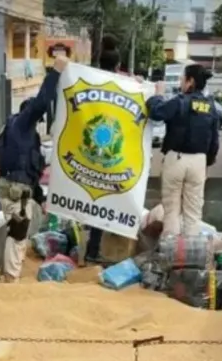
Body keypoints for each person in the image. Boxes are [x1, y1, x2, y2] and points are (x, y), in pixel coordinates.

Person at [0, 55, 69, 282]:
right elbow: (40, 103)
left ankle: (12, 275)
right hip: (14, 188)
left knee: (19, 232)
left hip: (20, 188)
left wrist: (40, 199)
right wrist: (56, 73)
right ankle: (11, 278)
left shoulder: (24, 135)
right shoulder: (21, 124)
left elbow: (32, 172)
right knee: (18, 233)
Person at [145, 64, 220, 237]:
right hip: (199, 162)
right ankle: (190, 254)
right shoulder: (211, 106)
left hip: (176, 159)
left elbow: (156, 112)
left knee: (171, 210)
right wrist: (206, 163)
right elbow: (215, 140)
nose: (180, 82)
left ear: (190, 81)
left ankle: (172, 254)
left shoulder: (180, 101)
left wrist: (157, 95)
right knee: (193, 213)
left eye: (182, 78)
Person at [84, 35, 132, 263]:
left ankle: (92, 252)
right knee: (114, 206)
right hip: (117, 157)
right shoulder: (127, 86)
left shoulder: (90, 81)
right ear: (117, 65)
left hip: (92, 156)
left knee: (94, 207)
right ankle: (115, 254)